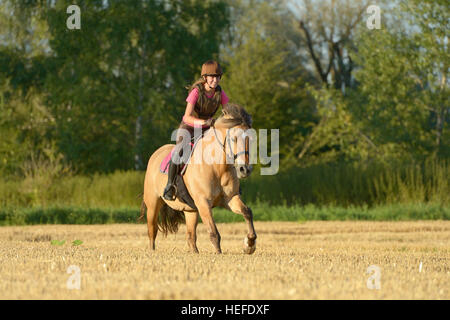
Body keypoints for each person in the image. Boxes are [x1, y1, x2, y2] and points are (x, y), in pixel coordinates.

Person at [163, 60, 229, 200]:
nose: (215, 80)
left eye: (217, 77)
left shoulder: (220, 92)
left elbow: (228, 112)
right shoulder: (196, 92)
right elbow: (186, 117)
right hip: (189, 127)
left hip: (208, 129)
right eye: (212, 76)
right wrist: (204, 122)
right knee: (180, 149)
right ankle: (169, 185)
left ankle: (230, 184)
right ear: (205, 77)